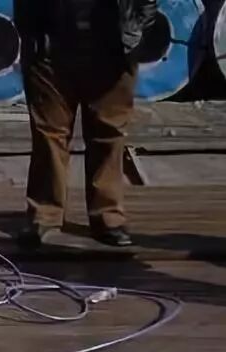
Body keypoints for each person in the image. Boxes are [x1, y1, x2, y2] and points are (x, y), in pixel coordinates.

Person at [14, 0, 157, 248]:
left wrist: (135, 30)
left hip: (113, 46)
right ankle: (45, 215)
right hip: (49, 45)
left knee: (109, 133)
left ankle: (107, 216)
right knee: (49, 134)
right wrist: (29, 33)